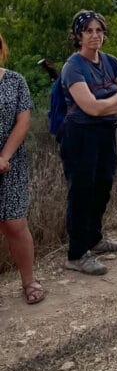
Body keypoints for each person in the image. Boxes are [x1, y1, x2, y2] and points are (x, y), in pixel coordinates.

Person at [60, 10, 117, 275]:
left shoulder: (110, 61)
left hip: (106, 132)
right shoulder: (73, 67)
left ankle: (94, 239)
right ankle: (77, 253)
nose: (95, 36)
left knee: (103, 185)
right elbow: (90, 107)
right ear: (78, 35)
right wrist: (113, 99)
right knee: (81, 190)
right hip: (80, 136)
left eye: (99, 30)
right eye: (89, 31)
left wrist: (107, 103)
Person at [0, 33, 44, 304]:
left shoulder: (16, 81)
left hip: (11, 162)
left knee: (15, 224)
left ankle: (29, 281)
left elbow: (23, 121)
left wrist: (4, 156)